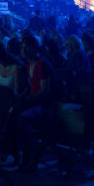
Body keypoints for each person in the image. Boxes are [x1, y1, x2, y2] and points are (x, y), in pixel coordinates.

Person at [13, 34, 56, 172]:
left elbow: (44, 92)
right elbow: (29, 87)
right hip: (34, 103)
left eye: (26, 48)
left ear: (34, 49)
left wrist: (27, 100)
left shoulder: (42, 65)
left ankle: (31, 152)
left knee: (21, 119)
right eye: (22, 47)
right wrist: (20, 97)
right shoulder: (28, 64)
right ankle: (21, 151)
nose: (23, 51)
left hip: (44, 106)